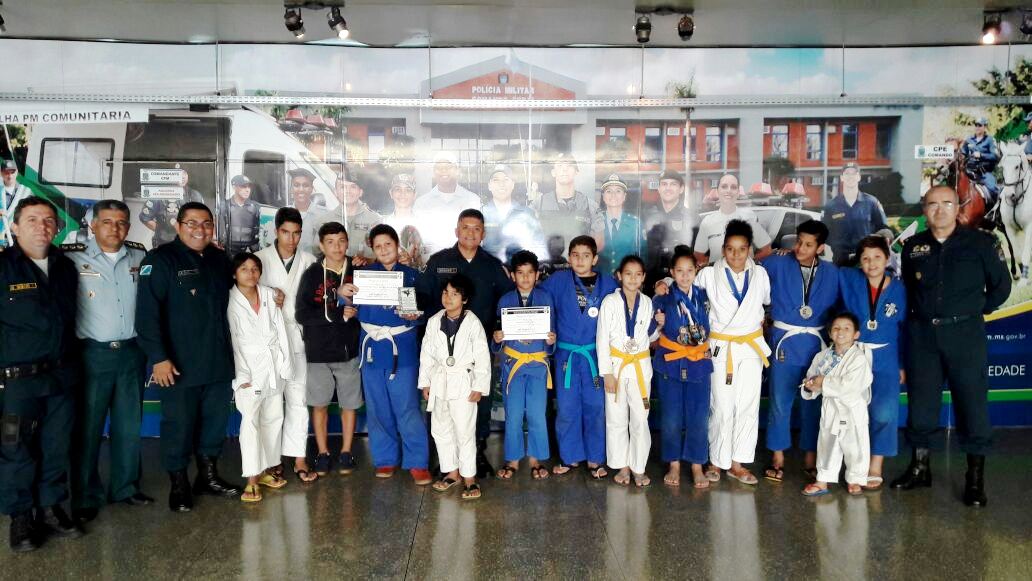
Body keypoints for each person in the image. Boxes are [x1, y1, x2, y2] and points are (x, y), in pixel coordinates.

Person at [891, 186, 1010, 507]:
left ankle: (975, 479)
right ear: (924, 209)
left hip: (965, 334)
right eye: (932, 204)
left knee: (972, 404)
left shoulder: (981, 243)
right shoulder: (913, 247)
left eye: (947, 203)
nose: (940, 210)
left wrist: (973, 310)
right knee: (921, 402)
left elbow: (1001, 287)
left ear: (958, 208)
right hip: (922, 337)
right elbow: (910, 291)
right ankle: (920, 468)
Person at [136, 201, 242, 512]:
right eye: (192, 223)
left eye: (206, 223)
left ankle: (207, 477)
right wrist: (159, 358)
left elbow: (242, 291)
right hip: (177, 364)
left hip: (217, 361)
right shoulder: (160, 260)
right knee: (178, 425)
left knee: (214, 424)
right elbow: (146, 315)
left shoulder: (219, 259)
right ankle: (179, 483)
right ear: (178, 226)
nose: (200, 229)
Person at [0, 197, 82, 551]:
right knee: (14, 447)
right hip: (16, 382)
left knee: (56, 445)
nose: (42, 226)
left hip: (61, 377)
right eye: (32, 219)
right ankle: (20, 517)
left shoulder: (65, 267)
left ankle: (50, 508)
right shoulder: (4, 268)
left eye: (49, 220)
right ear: (15, 226)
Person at [64, 199, 152, 524]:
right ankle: (86, 495)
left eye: (121, 222)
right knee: (88, 428)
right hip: (92, 355)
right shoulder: (72, 258)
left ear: (128, 226)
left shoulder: (140, 257)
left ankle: (125, 487)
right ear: (93, 225)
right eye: (107, 221)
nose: (114, 228)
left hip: (131, 352)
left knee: (129, 425)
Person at [416, 208, 514, 478]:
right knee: (442, 403)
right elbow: (422, 296)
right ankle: (447, 461)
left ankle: (477, 452)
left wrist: (500, 328)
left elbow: (507, 300)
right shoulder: (439, 261)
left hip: (477, 348)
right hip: (443, 346)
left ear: (483, 234)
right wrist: (413, 314)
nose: (471, 233)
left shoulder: (492, 265)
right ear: (456, 230)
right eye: (465, 227)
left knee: (478, 399)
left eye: (476, 228)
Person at [695, 219, 771, 486]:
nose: (736, 255)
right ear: (723, 249)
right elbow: (685, 288)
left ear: (750, 249)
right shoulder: (708, 274)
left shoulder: (761, 275)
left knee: (748, 405)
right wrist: (663, 283)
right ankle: (716, 460)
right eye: (730, 249)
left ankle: (738, 463)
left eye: (742, 249)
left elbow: (766, 302)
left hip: (750, 347)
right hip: (721, 346)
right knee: (721, 405)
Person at [762, 220, 839, 483]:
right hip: (784, 342)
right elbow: (747, 273)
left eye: (808, 245)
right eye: (798, 242)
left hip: (816, 346)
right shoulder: (776, 263)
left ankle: (810, 456)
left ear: (820, 248)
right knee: (780, 401)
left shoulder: (832, 273)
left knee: (813, 403)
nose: (800, 248)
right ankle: (778, 456)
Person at [355, 224, 431, 486]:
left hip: (403, 349)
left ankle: (417, 461)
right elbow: (349, 304)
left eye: (388, 244)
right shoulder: (364, 276)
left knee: (407, 407)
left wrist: (414, 316)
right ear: (372, 250)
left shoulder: (412, 276)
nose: (384, 249)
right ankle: (385, 458)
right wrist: (344, 297)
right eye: (378, 246)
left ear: (397, 246)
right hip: (373, 349)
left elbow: (425, 310)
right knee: (377, 407)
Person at [540, 235, 618, 478]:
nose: (580, 260)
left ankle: (595, 458)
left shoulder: (608, 283)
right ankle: (570, 456)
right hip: (567, 356)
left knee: (595, 407)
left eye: (586, 255)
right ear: (568, 258)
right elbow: (538, 301)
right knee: (567, 407)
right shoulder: (558, 280)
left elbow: (624, 305)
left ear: (595, 258)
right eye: (575, 255)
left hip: (595, 355)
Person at [254, 208, 319, 482]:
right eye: (285, 232)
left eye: (296, 233)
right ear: (275, 231)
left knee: (298, 400)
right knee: (272, 403)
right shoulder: (258, 260)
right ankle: (272, 459)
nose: (291, 239)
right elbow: (244, 293)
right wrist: (267, 295)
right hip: (269, 339)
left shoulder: (310, 261)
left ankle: (299, 456)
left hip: (299, 337)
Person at [839, 236, 907, 490]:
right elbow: (822, 270)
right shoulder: (849, 279)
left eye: (877, 257)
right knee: (851, 411)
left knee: (884, 412)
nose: (872, 263)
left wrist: (902, 363)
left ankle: (875, 464)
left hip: (886, 356)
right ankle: (855, 462)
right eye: (865, 258)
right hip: (854, 354)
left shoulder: (900, 289)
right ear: (859, 261)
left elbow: (905, 329)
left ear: (887, 259)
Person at [294, 222, 362, 477]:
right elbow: (302, 314)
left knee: (349, 404)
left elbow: (372, 301)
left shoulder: (357, 270)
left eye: (342, 241)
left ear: (347, 243)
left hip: (348, 350)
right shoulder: (312, 274)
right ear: (321, 246)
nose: (337, 247)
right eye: (330, 242)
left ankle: (346, 451)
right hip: (318, 351)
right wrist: (336, 306)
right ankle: (322, 452)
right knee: (319, 404)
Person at [419, 274, 491, 501]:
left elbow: (482, 356)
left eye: (455, 294)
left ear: (465, 299)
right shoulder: (434, 321)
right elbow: (426, 355)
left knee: (464, 431)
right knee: (440, 429)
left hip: (463, 382)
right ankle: (451, 472)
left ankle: (469, 477)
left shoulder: (473, 323)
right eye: (445, 293)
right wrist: (425, 382)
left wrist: (479, 385)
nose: (448, 298)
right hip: (440, 380)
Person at [227, 253, 292, 503]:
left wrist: (285, 362)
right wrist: (241, 375)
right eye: (244, 269)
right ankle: (251, 479)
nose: (250, 273)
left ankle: (266, 470)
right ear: (235, 273)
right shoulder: (230, 301)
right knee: (251, 423)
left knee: (273, 419)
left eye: (255, 269)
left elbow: (281, 330)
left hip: (273, 367)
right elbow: (233, 341)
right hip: (248, 370)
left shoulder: (269, 294)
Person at [651, 247, 714, 488]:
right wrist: (657, 320)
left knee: (699, 416)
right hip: (671, 361)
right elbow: (651, 329)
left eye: (689, 270)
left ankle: (697, 464)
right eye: (680, 271)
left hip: (699, 361)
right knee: (671, 416)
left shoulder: (704, 296)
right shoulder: (662, 298)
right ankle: (674, 463)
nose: (685, 276)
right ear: (671, 273)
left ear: (696, 271)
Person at [492, 250, 556, 481]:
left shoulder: (546, 298)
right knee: (514, 415)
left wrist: (551, 341)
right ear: (513, 275)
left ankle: (536, 459)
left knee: (537, 414)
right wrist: (497, 339)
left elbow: (552, 331)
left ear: (537, 274)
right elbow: (497, 336)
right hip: (513, 365)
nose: (526, 277)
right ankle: (513, 459)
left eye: (530, 273)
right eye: (520, 273)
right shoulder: (505, 300)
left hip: (537, 364)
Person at [799, 312, 873, 497]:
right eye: (836, 328)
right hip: (831, 408)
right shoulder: (822, 356)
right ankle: (822, 480)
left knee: (855, 446)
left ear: (856, 334)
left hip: (852, 409)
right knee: (827, 444)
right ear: (830, 333)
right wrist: (809, 386)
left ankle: (855, 478)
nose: (841, 332)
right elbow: (812, 377)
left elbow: (851, 385)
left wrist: (823, 382)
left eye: (847, 328)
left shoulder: (859, 358)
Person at [598, 255, 655, 488]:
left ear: (643, 277)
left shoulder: (648, 302)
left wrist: (660, 324)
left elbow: (649, 335)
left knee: (641, 418)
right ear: (619, 276)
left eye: (637, 274)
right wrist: (607, 373)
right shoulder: (610, 302)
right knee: (616, 418)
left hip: (640, 367)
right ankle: (622, 466)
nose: (633, 279)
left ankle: (638, 467)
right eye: (628, 274)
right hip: (616, 366)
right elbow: (602, 338)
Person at [531, 154, 605, 256]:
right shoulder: (538, 204)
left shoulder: (590, 206)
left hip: (578, 264)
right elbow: (528, 237)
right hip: (547, 264)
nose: (564, 169)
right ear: (553, 172)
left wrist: (580, 258)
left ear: (576, 172)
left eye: (569, 165)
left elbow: (599, 242)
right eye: (560, 166)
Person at [694, 174, 772, 265]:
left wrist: (749, 262)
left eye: (733, 187)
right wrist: (713, 266)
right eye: (724, 187)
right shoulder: (708, 221)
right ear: (717, 191)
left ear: (738, 192)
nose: (729, 191)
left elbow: (766, 249)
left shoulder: (748, 218)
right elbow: (698, 254)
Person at [824, 163, 892, 267]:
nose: (850, 177)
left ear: (859, 177)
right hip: (840, 263)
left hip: (866, 262)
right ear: (842, 178)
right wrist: (838, 245)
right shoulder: (831, 206)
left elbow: (884, 228)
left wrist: (885, 237)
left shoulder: (871, 202)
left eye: (854, 173)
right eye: (847, 173)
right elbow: (825, 234)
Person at [413, 152, 481, 254]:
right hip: (432, 260)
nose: (443, 170)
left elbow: (477, 236)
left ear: (457, 170)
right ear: (433, 172)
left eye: (448, 167)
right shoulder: (421, 203)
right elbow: (417, 240)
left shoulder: (472, 200)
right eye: (439, 167)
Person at [642, 170, 695, 292]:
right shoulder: (646, 214)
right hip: (650, 284)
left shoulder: (691, 218)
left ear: (681, 189)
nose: (668, 188)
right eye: (664, 184)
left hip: (680, 284)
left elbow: (694, 255)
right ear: (659, 188)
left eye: (673, 184)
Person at [481, 164, 546, 263]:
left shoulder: (527, 214)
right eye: (496, 180)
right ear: (489, 185)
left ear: (513, 185)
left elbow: (540, 247)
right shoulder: (480, 214)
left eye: (506, 179)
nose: (501, 184)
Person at [139, 168, 205, 248]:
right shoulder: (159, 194)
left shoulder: (195, 196)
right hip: (164, 245)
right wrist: (161, 231)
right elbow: (145, 218)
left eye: (184, 173)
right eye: (177, 173)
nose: (182, 177)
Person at [597, 174, 646, 274]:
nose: (613, 195)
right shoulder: (595, 222)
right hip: (600, 279)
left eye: (618, 191)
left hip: (627, 280)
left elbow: (643, 256)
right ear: (603, 196)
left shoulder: (635, 224)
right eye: (609, 191)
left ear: (624, 196)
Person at [333, 168, 382, 259]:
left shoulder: (374, 220)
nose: (348, 191)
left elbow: (382, 253)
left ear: (360, 192)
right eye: (343, 187)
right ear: (335, 192)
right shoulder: (324, 221)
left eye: (353, 187)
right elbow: (317, 252)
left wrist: (367, 260)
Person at [384, 173, 429, 269]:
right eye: (398, 189)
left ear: (415, 195)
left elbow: (429, 260)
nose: (402, 194)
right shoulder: (382, 223)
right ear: (391, 193)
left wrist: (413, 261)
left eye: (408, 190)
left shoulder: (425, 225)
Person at [289, 168, 333, 256]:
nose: (301, 189)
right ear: (291, 189)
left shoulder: (326, 215)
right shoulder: (281, 215)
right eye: (296, 185)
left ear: (312, 189)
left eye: (305, 185)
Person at [959, 117, 1001, 207]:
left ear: (985, 127)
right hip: (969, 172)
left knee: (993, 189)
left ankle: (994, 211)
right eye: (976, 125)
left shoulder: (990, 140)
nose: (977, 127)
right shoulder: (969, 140)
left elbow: (995, 156)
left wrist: (981, 155)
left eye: (980, 125)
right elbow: (962, 154)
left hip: (984, 173)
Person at [220, 175, 261, 255]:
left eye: (249, 187)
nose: (247, 190)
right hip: (229, 250)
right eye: (243, 186)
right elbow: (219, 229)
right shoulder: (225, 205)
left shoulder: (255, 207)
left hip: (250, 251)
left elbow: (259, 229)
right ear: (234, 187)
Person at [1, 159, 32, 248]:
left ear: (17, 172)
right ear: (1, 173)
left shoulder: (26, 192)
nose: (10, 175)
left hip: (18, 240)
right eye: (6, 172)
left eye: (12, 172)